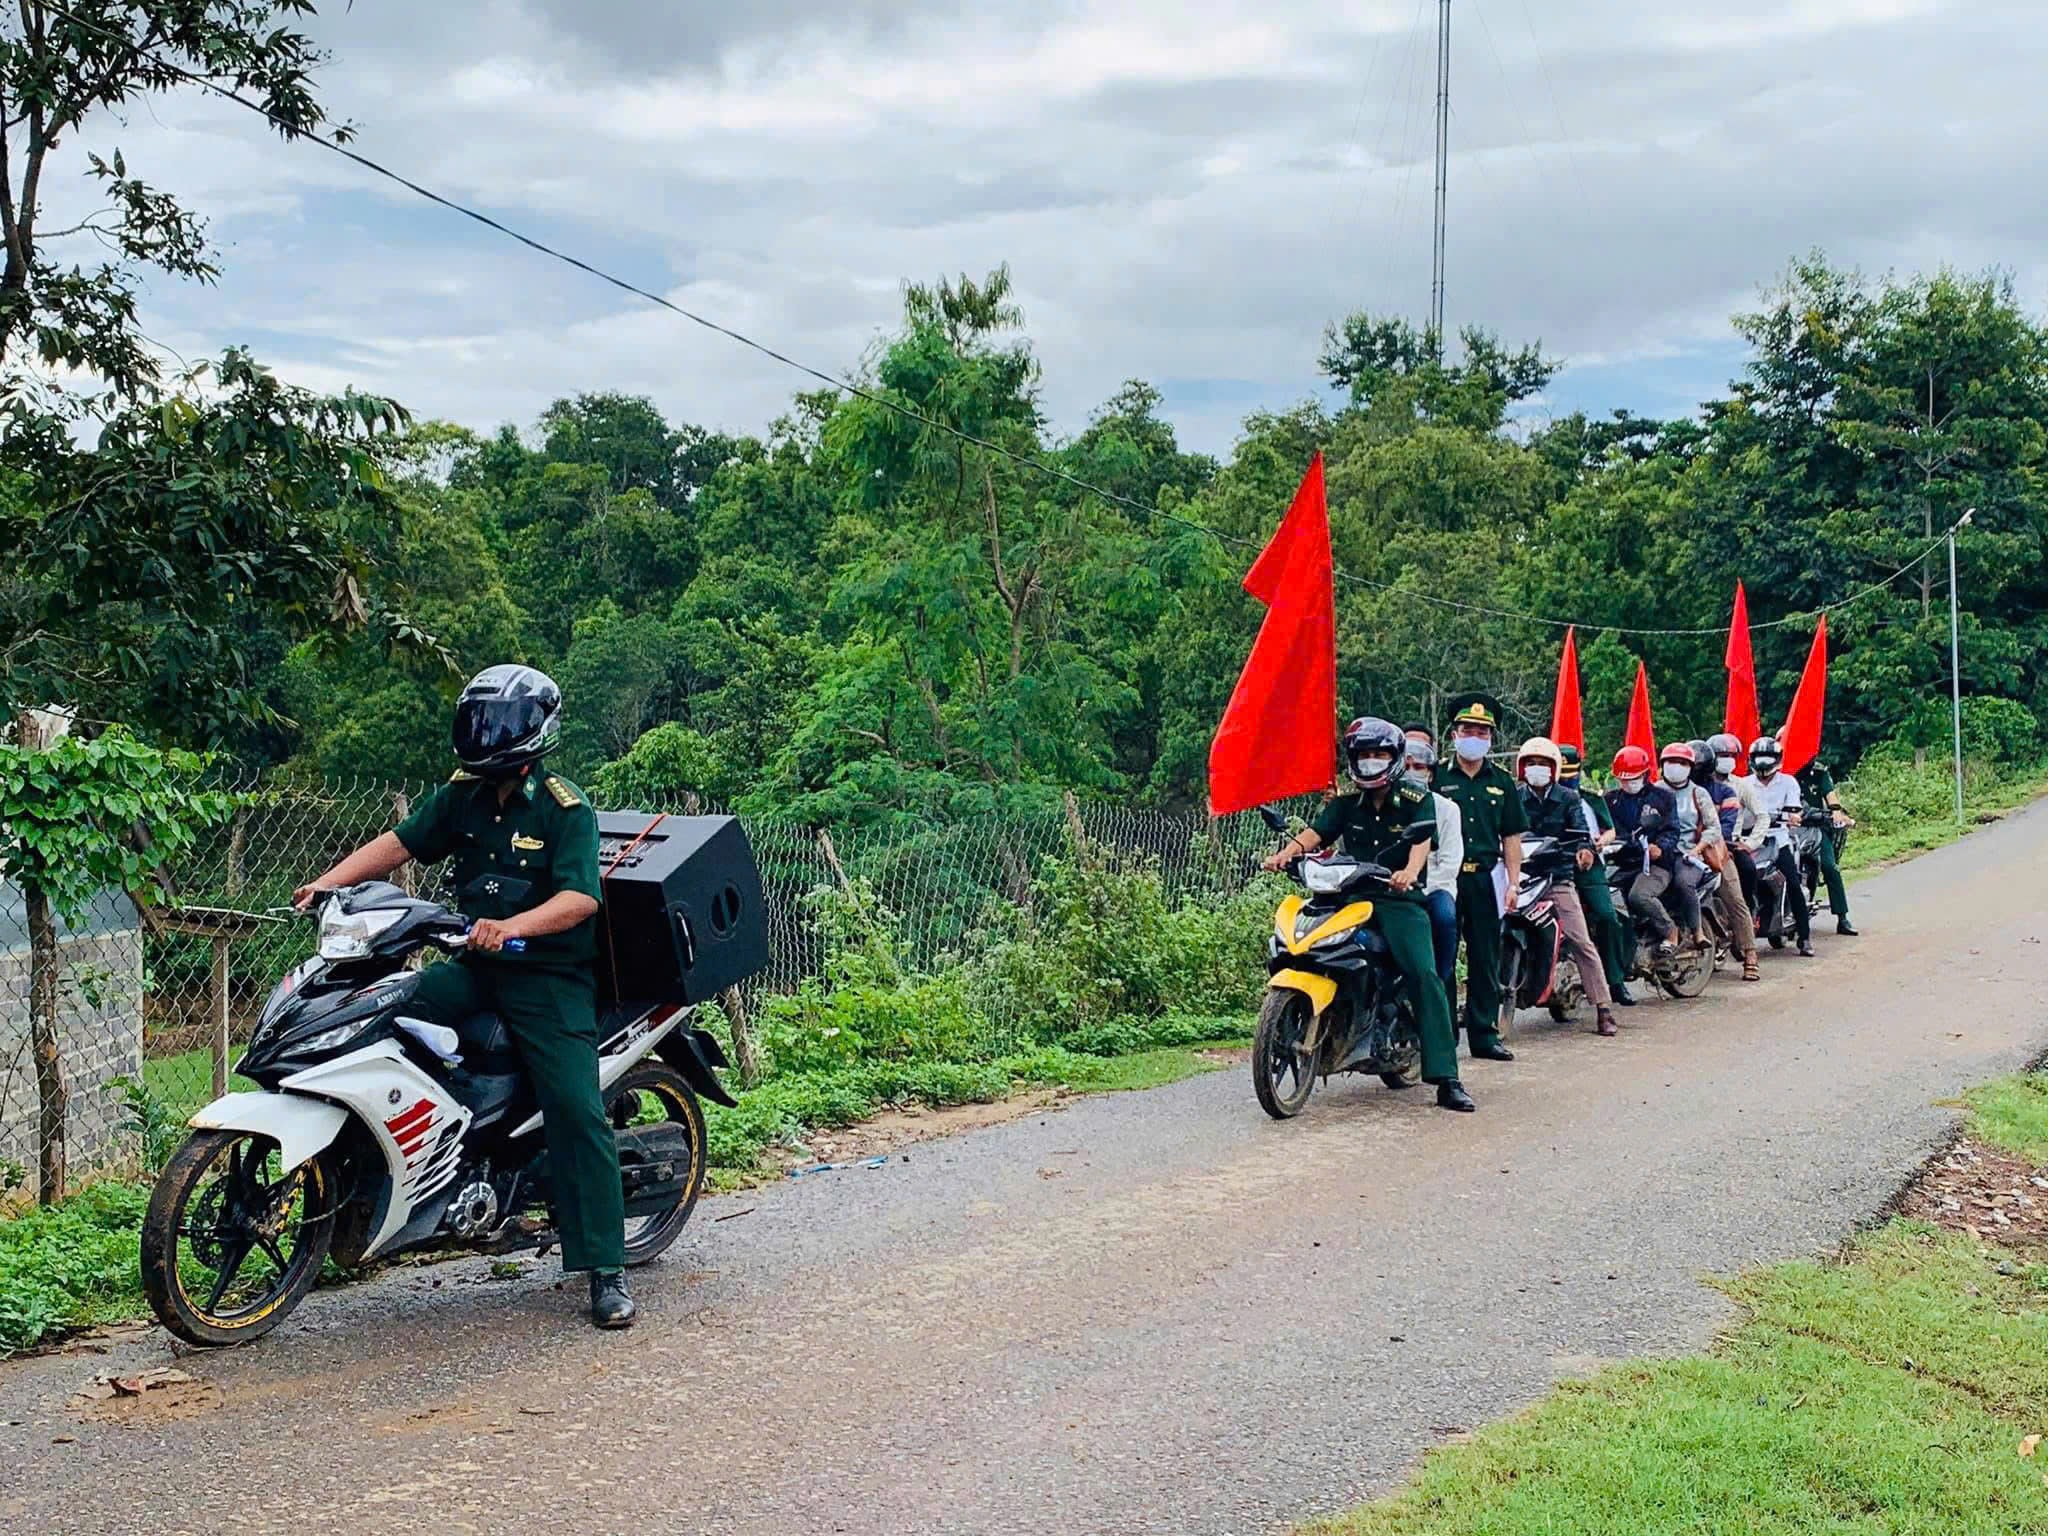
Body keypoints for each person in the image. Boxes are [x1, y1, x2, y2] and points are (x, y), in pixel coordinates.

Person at [292, 665, 636, 1330]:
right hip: (476, 966)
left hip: (549, 978)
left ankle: (606, 1269)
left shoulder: (564, 807)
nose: (485, 737)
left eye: (497, 726)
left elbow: (580, 899)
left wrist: (512, 926)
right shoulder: (465, 795)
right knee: (386, 1010)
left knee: (574, 1108)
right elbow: (399, 844)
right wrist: (327, 883)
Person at [1264, 717, 1473, 1112]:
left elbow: (1421, 842)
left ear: (1394, 758)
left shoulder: (1415, 799)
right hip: (1347, 896)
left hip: (1398, 901)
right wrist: (1285, 854)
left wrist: (1409, 872)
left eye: (1379, 754)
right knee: (1302, 947)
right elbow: (1315, 834)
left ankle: (1448, 1078)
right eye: (1364, 754)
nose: (1371, 760)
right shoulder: (1345, 805)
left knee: (1423, 973)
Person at [1432, 694, 1526, 1065]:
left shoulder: (1501, 782)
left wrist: (1514, 883)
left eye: (1482, 732)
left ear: (1491, 738)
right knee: (1442, 954)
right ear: (1454, 734)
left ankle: (1484, 1035)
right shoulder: (1437, 777)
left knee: (1485, 957)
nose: (1475, 736)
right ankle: (1442, 1033)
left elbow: (1511, 838)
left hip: (1485, 879)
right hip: (1444, 878)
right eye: (1467, 729)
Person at [1514, 738, 1619, 1036]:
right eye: (1531, 763)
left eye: (1543, 764)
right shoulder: (1514, 796)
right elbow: (1503, 830)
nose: (1537, 769)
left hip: (1556, 877)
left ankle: (1603, 1008)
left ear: (1555, 768)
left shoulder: (1569, 798)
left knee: (1580, 938)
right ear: (1522, 767)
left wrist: (1584, 850)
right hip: (1519, 877)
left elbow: (1582, 833)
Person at [1560, 745, 1636, 1007]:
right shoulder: (1538, 799)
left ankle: (1615, 980)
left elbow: (1609, 830)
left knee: (1606, 916)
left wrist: (1601, 842)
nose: (1567, 779)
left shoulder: (1591, 800)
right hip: (1551, 865)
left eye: (1571, 773)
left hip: (1588, 867)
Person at [1401, 733, 1463, 1013]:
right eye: (1406, 767)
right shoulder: (1389, 804)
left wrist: (1416, 882)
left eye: (1419, 767)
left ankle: (1438, 979)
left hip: (1434, 886)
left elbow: (1449, 864)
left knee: (1444, 918)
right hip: (1390, 886)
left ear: (1430, 773)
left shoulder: (1447, 809)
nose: (1412, 773)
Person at [1604, 745, 1682, 956]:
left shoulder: (1663, 798)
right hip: (1621, 861)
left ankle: (1670, 931)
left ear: (1645, 774)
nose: (1628, 783)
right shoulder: (1610, 800)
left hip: (1655, 864)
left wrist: (1660, 847)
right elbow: (1606, 829)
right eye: (1623, 780)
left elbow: (1672, 830)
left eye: (1633, 778)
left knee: (1639, 896)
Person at [1696, 741, 1761, 981]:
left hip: (1716, 853)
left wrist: (1701, 844)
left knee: (1735, 899)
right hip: (1684, 854)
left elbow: (1724, 828)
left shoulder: (1725, 792)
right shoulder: (1673, 793)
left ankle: (1750, 953)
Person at [1745, 734, 1814, 958]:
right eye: (1759, 757)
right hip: (1750, 840)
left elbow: (1794, 810)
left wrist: (1792, 816)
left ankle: (1804, 938)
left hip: (1778, 838)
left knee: (1793, 883)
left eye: (1767, 757)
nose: (1763, 763)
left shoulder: (1788, 782)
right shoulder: (1744, 784)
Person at [1657, 740, 1724, 954]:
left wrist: (1697, 849)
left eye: (1682, 763)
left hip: (1688, 854)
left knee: (1684, 883)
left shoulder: (1698, 794)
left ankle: (1697, 932)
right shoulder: (1654, 791)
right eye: (1671, 762)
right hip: (1659, 854)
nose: (1676, 767)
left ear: (1690, 767)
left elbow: (1714, 828)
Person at [1708, 732, 1768, 920]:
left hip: (1731, 843)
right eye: (1722, 755)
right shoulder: (1701, 784)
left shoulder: (1740, 785)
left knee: (1748, 870)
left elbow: (1762, 815)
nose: (1727, 760)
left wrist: (1750, 844)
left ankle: (1750, 911)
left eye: (1731, 756)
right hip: (1702, 843)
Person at [1801, 756, 1859, 935]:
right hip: (1791, 828)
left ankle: (1842, 917)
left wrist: (1836, 811)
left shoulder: (1819, 772)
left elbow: (1831, 798)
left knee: (1829, 866)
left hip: (1817, 826)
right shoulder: (1783, 774)